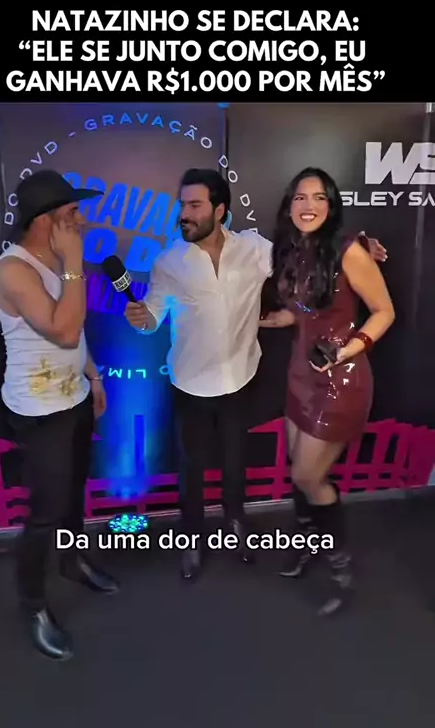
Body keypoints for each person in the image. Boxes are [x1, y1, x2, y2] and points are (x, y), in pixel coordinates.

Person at [124, 168, 388, 582]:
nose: (184, 214)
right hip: (189, 382)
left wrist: (358, 247)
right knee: (192, 468)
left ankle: (237, 528)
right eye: (183, 205)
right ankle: (191, 539)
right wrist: (142, 319)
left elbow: (308, 251)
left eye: (195, 205)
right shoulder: (168, 261)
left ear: (219, 210)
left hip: (240, 377)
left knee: (235, 463)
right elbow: (153, 317)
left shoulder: (255, 248)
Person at [0, 169, 119, 662]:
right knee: (45, 513)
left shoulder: (59, 261)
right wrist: (74, 262)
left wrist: (94, 376)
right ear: (46, 220)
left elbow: (75, 337)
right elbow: (63, 329)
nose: (81, 221)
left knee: (72, 497)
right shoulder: (13, 270)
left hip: (75, 398)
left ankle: (72, 561)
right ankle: (34, 605)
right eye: (72, 214)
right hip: (40, 412)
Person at [259, 167, 395, 616]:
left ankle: (341, 572)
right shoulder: (292, 249)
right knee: (298, 471)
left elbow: (384, 311)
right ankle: (308, 547)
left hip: (340, 380)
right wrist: (270, 320)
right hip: (301, 375)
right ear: (289, 204)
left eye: (319, 197)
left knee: (308, 476)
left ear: (332, 205)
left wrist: (346, 350)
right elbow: (305, 311)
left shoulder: (349, 250)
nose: (309, 205)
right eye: (301, 197)